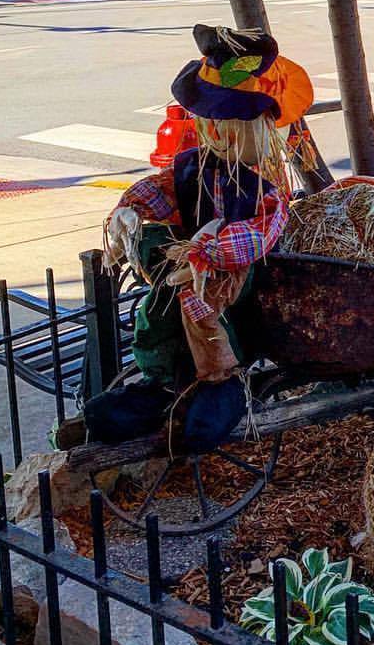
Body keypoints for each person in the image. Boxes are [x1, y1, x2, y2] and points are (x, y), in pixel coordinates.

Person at [84, 24, 314, 454]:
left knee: (206, 308)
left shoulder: (264, 187)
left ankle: (221, 382)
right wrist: (131, 211)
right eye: (211, 121)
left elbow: (261, 231)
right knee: (161, 306)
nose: (218, 133)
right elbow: (161, 190)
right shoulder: (192, 166)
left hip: (233, 280)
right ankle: (161, 382)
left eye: (232, 123)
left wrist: (209, 252)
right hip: (185, 267)